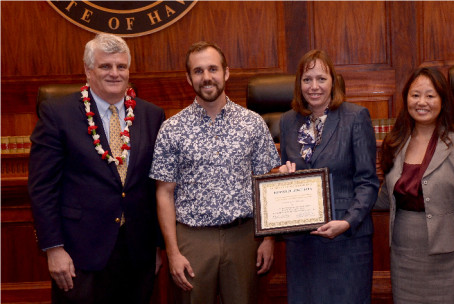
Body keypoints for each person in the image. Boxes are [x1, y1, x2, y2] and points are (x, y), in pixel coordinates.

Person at [28, 33, 165, 303]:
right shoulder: (57, 113)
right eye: (105, 66)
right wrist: (53, 248)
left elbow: (157, 185)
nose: (115, 73)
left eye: (121, 66)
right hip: (80, 253)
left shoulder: (152, 114)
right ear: (88, 71)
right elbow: (42, 188)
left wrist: (159, 246)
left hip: (138, 252)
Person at [149, 41, 281, 304]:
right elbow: (164, 193)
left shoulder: (252, 123)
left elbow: (268, 183)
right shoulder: (171, 128)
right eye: (198, 71)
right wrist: (172, 252)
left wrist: (269, 238)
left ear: (226, 73)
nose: (206, 77)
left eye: (212, 69)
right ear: (188, 78)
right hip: (192, 239)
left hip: (244, 237)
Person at [278, 49, 379, 303]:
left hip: (346, 241)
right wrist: (282, 176)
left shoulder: (355, 117)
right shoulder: (288, 122)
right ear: (298, 84)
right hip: (302, 245)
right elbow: (285, 174)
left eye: (321, 79)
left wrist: (347, 222)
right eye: (307, 79)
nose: (314, 86)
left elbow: (368, 182)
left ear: (333, 81)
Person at [375, 67, 454, 303]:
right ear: (406, 99)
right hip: (405, 254)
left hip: (450, 257)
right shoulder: (395, 142)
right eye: (415, 95)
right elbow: (384, 197)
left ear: (443, 101)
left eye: (430, 96)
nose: (422, 102)